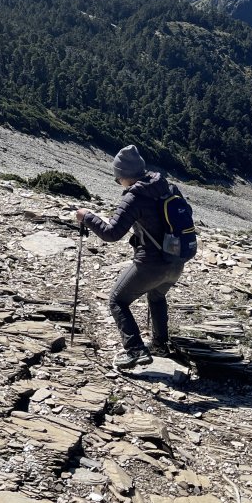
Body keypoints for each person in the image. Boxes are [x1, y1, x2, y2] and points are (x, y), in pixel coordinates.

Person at [75, 145, 196, 368]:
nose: (117, 181)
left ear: (123, 175)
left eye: (117, 177)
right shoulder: (167, 186)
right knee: (157, 297)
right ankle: (160, 344)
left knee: (117, 300)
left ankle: (135, 350)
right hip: (177, 260)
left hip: (151, 264)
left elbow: (111, 234)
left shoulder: (135, 197)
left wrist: (87, 216)